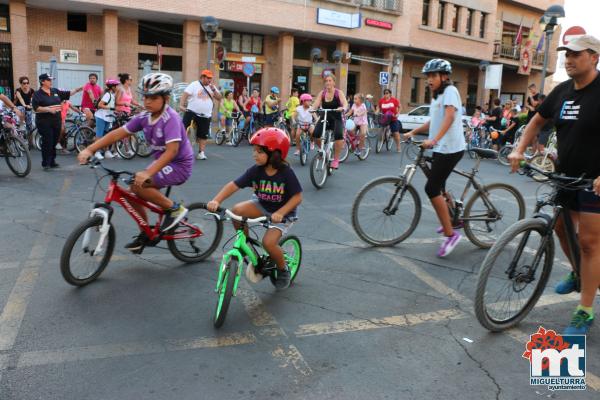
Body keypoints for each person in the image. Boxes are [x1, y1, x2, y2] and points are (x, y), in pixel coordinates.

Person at [509, 35, 600, 334]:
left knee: (589, 242)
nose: (568, 59)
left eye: (576, 54)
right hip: (565, 175)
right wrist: (519, 148)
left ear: (594, 57)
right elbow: (536, 121)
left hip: (594, 181)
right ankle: (577, 274)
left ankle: (585, 310)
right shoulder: (561, 91)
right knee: (561, 228)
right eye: (566, 54)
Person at [78, 73, 193, 252]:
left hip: (179, 165)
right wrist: (90, 149)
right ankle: (145, 232)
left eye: (153, 98)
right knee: (132, 190)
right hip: (162, 164)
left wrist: (148, 173)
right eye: (145, 97)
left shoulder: (171, 119)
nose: (147, 102)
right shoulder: (144, 117)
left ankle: (175, 209)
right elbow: (117, 134)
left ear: (166, 98)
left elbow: (172, 151)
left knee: (139, 185)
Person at [207, 128, 302, 290]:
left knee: (268, 243)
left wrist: (280, 213)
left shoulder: (286, 173)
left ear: (274, 154)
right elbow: (233, 185)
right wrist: (216, 200)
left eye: (259, 151)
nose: (254, 155)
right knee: (236, 211)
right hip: (262, 205)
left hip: (282, 213)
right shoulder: (256, 171)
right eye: (254, 151)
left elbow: (297, 197)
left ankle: (282, 269)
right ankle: (245, 245)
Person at [403, 59, 466, 257]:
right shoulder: (437, 96)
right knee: (439, 187)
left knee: (431, 188)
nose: (429, 79)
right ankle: (452, 218)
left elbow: (449, 117)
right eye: (428, 76)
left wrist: (434, 140)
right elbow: (434, 121)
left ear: (444, 76)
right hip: (441, 147)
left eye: (433, 75)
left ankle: (451, 235)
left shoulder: (450, 92)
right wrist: (412, 132)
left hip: (452, 148)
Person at [32, 74, 81, 170]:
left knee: (54, 141)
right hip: (44, 122)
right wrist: (48, 110)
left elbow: (68, 93)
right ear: (43, 82)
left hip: (56, 121)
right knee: (48, 141)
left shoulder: (55, 91)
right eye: (49, 80)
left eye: (51, 80)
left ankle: (52, 161)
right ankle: (46, 163)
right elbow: (36, 108)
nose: (51, 81)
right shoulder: (37, 94)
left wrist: (78, 89)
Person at [179, 69, 222, 160]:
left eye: (211, 78)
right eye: (208, 78)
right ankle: (182, 149)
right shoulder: (194, 84)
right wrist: (181, 105)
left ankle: (201, 153)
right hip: (192, 111)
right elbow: (185, 94)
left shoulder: (212, 87)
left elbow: (219, 98)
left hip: (205, 115)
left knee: (203, 135)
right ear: (202, 77)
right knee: (183, 129)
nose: (209, 80)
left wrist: (213, 90)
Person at [311, 73, 348, 169]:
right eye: (326, 81)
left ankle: (335, 159)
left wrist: (342, 108)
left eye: (330, 80)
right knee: (315, 134)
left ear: (334, 82)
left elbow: (345, 103)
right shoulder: (322, 93)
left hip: (336, 117)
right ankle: (322, 151)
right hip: (325, 116)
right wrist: (312, 109)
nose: (328, 82)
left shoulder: (338, 93)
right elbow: (315, 104)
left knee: (338, 136)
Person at [93, 78, 119, 159]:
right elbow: (100, 105)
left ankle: (106, 151)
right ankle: (97, 152)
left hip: (108, 117)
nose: (117, 88)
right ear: (112, 87)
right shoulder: (108, 94)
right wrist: (111, 108)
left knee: (106, 135)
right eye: (116, 86)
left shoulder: (112, 95)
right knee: (99, 135)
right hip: (101, 116)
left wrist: (115, 111)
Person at [14, 76, 35, 142]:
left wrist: (31, 105)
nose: (26, 84)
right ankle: (22, 124)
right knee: (22, 108)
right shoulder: (18, 90)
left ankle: (30, 141)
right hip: (20, 107)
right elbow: (20, 99)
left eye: (27, 83)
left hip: (28, 108)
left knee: (29, 125)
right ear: (21, 84)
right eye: (24, 83)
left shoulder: (31, 90)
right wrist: (25, 105)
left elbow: (33, 99)